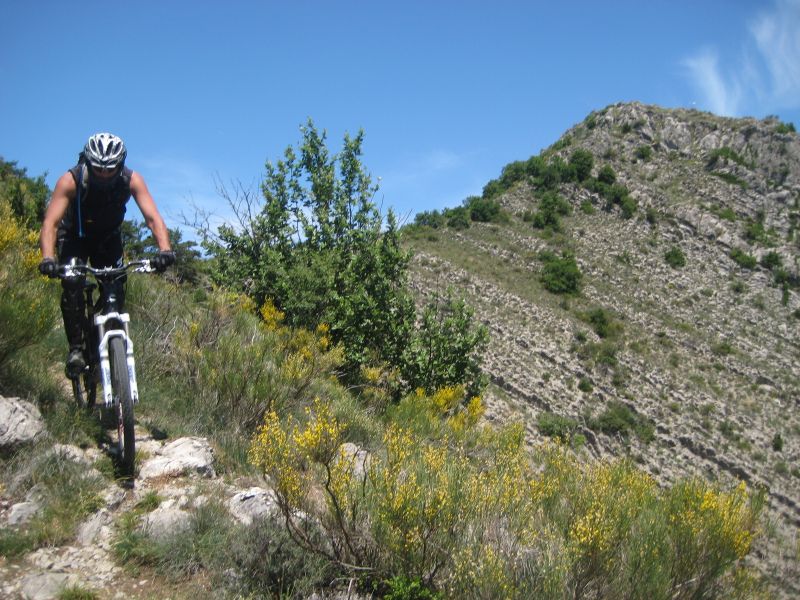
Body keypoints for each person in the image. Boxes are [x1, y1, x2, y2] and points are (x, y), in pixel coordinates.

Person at [38, 132, 175, 375]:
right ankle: (77, 349)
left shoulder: (131, 180)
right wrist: (48, 258)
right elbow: (51, 223)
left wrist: (165, 250)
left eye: (109, 169)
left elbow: (153, 218)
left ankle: (112, 347)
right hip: (74, 237)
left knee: (116, 287)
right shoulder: (71, 180)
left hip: (107, 239)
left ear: (120, 164)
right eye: (98, 168)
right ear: (88, 162)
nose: (103, 173)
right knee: (72, 284)